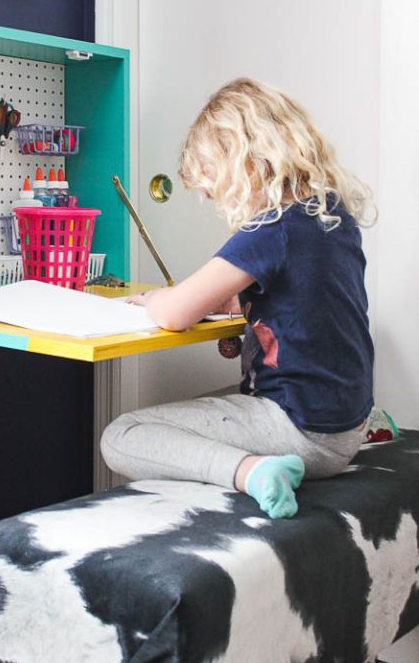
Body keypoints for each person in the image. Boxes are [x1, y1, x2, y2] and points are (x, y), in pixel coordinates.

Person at [101, 77, 375, 519]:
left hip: (304, 431)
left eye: (212, 186)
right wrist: (238, 308)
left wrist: (157, 299)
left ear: (239, 162)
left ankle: (254, 472)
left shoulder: (271, 229)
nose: (213, 201)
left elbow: (173, 313)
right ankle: (259, 463)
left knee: (122, 434)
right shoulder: (330, 215)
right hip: (344, 423)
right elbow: (307, 301)